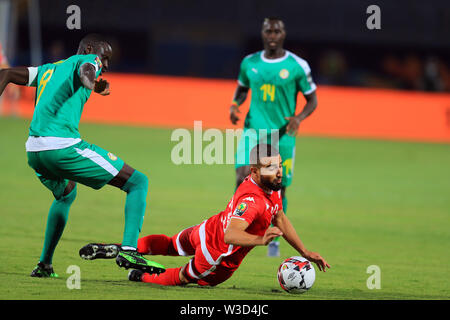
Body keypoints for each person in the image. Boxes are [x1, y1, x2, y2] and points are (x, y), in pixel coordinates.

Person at [0, 34, 165, 277]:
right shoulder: (88, 60)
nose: (105, 65)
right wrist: (95, 85)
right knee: (138, 181)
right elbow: (87, 71)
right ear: (89, 48)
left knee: (66, 194)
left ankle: (44, 265)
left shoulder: (48, 69)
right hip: (62, 147)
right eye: (105, 57)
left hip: (34, 150)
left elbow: (6, 74)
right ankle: (130, 250)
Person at [79, 144, 330, 287]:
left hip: (208, 228)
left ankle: (123, 248)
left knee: (168, 244)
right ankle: (140, 275)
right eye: (272, 167)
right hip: (217, 255)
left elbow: (280, 218)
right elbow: (232, 235)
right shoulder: (252, 201)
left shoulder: (269, 188)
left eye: (279, 165)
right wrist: (260, 241)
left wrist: (304, 251)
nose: (279, 172)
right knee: (184, 278)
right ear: (254, 170)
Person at [229, 17, 318, 257]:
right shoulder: (249, 63)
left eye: (276, 31)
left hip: (283, 136)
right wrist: (235, 105)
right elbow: (242, 88)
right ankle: (237, 230)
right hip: (253, 131)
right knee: (241, 176)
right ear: (262, 32)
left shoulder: (298, 66)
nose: (272, 35)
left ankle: (276, 235)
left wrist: (299, 118)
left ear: (283, 34)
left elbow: (313, 100)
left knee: (279, 189)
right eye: (268, 30)